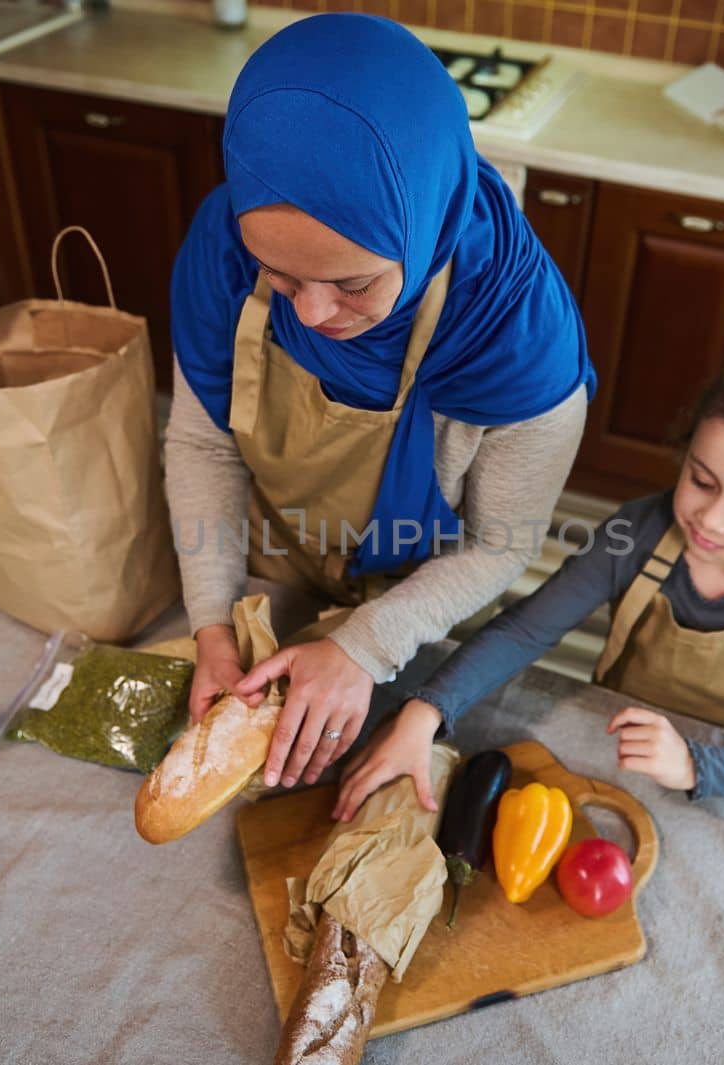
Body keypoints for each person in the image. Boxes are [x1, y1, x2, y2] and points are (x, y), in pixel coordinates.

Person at [165, 14, 594, 794]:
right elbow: (203, 446)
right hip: (271, 554)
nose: (314, 315)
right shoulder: (220, 251)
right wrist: (212, 623)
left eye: (354, 282)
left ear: (427, 219)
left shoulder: (520, 337)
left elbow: (499, 547)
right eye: (283, 279)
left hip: (413, 598)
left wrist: (367, 644)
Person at [335, 337, 724, 819]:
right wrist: (425, 710)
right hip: (617, 729)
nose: (712, 520)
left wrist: (697, 764)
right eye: (700, 479)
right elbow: (525, 631)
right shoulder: (638, 532)